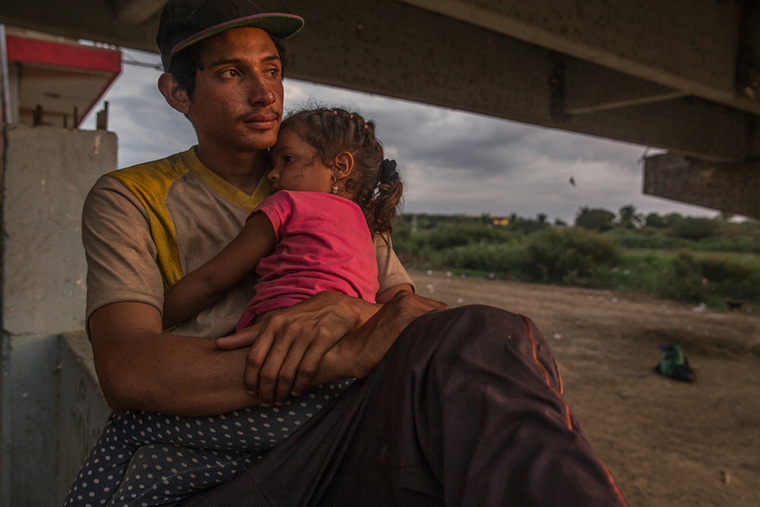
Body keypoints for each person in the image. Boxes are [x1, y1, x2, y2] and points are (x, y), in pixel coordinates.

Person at [72, 0, 629, 505]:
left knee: (489, 336)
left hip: (339, 440)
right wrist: (335, 355)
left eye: (271, 69)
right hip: (221, 471)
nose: (264, 93)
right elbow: (127, 369)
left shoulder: (334, 197)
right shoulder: (132, 198)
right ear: (177, 93)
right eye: (230, 73)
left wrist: (351, 312)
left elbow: (411, 321)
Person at [65, 107, 404, 505]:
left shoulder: (287, 203)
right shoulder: (365, 224)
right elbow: (403, 313)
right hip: (341, 399)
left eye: (287, 160)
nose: (275, 174)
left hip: (275, 376)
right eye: (231, 72)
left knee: (130, 434)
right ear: (177, 93)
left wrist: (153, 318)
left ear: (340, 167)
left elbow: (213, 280)